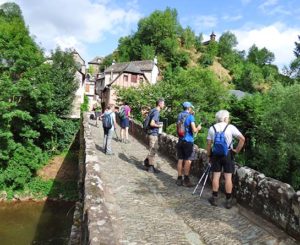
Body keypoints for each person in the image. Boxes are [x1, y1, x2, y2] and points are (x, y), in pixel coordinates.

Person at [206, 110, 245, 209]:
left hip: (216, 154)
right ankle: (228, 201)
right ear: (225, 118)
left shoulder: (212, 128)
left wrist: (209, 155)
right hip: (228, 153)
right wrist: (236, 150)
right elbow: (242, 139)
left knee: (216, 176)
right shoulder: (230, 127)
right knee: (228, 177)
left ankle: (214, 198)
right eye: (228, 117)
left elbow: (209, 144)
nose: (228, 119)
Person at [176, 102, 202, 187]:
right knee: (187, 160)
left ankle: (179, 179)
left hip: (180, 140)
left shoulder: (179, 115)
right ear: (189, 108)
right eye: (191, 107)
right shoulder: (191, 117)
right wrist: (198, 128)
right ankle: (186, 180)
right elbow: (194, 130)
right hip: (188, 141)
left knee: (180, 159)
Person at [145, 98, 165, 173]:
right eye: (163, 103)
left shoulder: (152, 110)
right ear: (159, 104)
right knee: (153, 150)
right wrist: (159, 126)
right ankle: (151, 167)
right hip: (153, 133)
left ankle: (147, 161)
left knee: (153, 149)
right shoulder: (156, 112)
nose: (164, 105)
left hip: (151, 132)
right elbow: (152, 123)